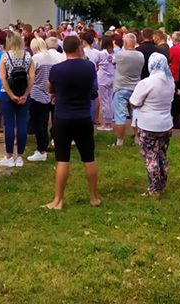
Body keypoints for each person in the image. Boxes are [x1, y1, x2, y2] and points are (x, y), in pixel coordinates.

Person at [44, 36, 100, 209]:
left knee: (62, 159)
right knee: (88, 158)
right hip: (83, 116)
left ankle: (58, 200)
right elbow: (91, 86)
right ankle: (94, 197)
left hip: (62, 117)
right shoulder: (89, 67)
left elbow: (51, 88)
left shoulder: (57, 69)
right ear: (78, 48)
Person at [130, 52, 176, 197]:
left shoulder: (147, 82)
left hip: (148, 125)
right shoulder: (170, 81)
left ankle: (154, 188)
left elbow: (134, 102)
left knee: (151, 156)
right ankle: (162, 182)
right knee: (162, 154)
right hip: (166, 123)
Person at [0, 31, 35, 167]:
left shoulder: (5, 56)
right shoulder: (28, 56)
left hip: (8, 93)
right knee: (22, 124)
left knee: (9, 124)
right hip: (23, 92)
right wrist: (25, 94)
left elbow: (2, 77)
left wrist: (11, 94)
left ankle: (9, 156)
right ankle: (19, 156)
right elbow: (31, 77)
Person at [28, 37, 62, 161]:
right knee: (51, 120)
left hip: (37, 93)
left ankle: (41, 150)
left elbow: (30, 77)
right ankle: (51, 142)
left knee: (39, 123)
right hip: (51, 93)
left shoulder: (35, 58)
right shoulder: (51, 58)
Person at [112, 33, 144, 146]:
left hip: (121, 87)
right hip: (135, 87)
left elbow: (113, 62)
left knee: (120, 115)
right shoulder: (140, 55)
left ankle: (119, 141)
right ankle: (137, 139)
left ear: (125, 43)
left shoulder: (120, 55)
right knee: (135, 114)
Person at [95, 35, 117, 132]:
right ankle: (110, 120)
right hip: (112, 77)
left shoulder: (100, 53)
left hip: (102, 78)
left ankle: (107, 123)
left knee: (104, 101)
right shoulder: (114, 53)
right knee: (110, 100)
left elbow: (95, 63)